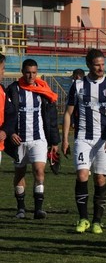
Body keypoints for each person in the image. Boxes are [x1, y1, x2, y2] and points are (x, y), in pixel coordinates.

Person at [62, 49, 106, 234]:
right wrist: (65, 139)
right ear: (89, 65)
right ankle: (83, 219)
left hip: (104, 139)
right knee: (82, 175)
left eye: (103, 64)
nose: (101, 68)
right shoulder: (78, 85)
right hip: (82, 138)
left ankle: (97, 220)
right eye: (97, 65)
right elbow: (68, 113)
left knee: (100, 178)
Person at [6, 58, 60, 219]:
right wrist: (10, 133)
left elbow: (51, 117)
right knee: (20, 173)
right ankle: (21, 208)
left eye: (34, 73)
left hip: (38, 139)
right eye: (28, 73)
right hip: (19, 140)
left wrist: (54, 141)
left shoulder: (43, 90)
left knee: (39, 171)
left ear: (37, 73)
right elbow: (6, 114)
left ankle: (38, 209)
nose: (31, 76)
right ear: (22, 72)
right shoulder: (13, 90)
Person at [0, 53, 16, 165]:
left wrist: (5, 130)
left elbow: (11, 113)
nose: (3, 72)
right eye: (2, 69)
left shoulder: (1, 90)